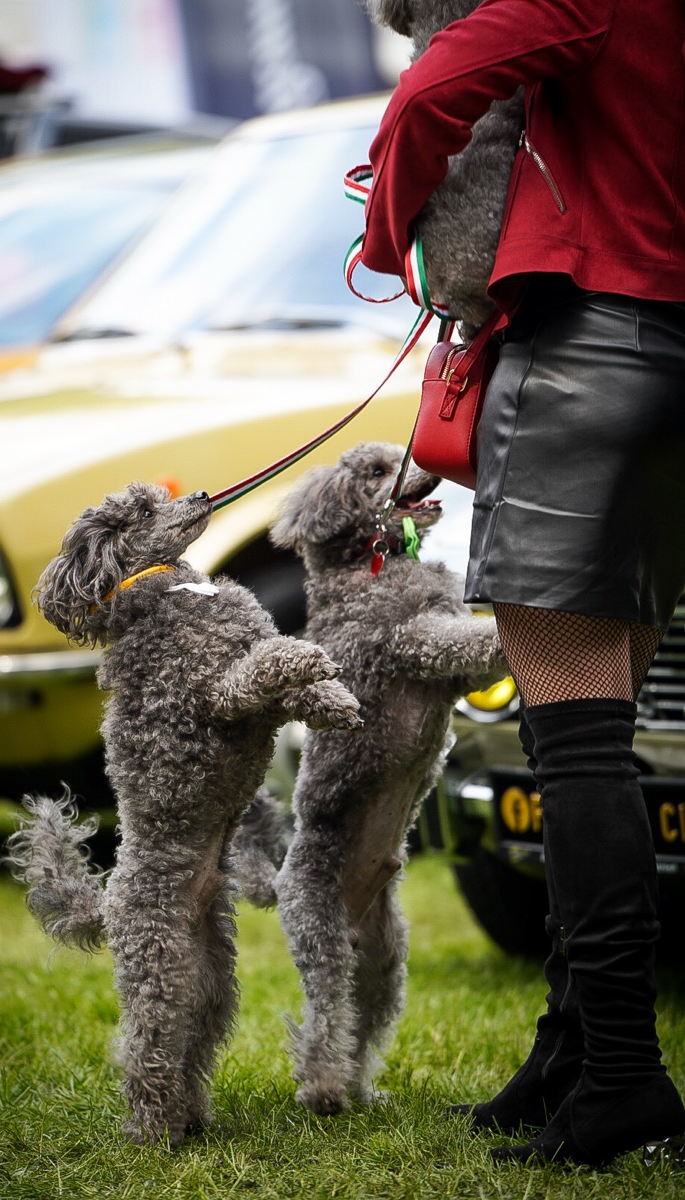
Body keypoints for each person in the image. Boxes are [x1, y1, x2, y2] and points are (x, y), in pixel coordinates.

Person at [359, 0, 685, 1169]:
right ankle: (567, 1048)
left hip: (590, 347)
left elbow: (430, 89)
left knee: (575, 745)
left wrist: (385, 233)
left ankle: (621, 1076)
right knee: (603, 723)